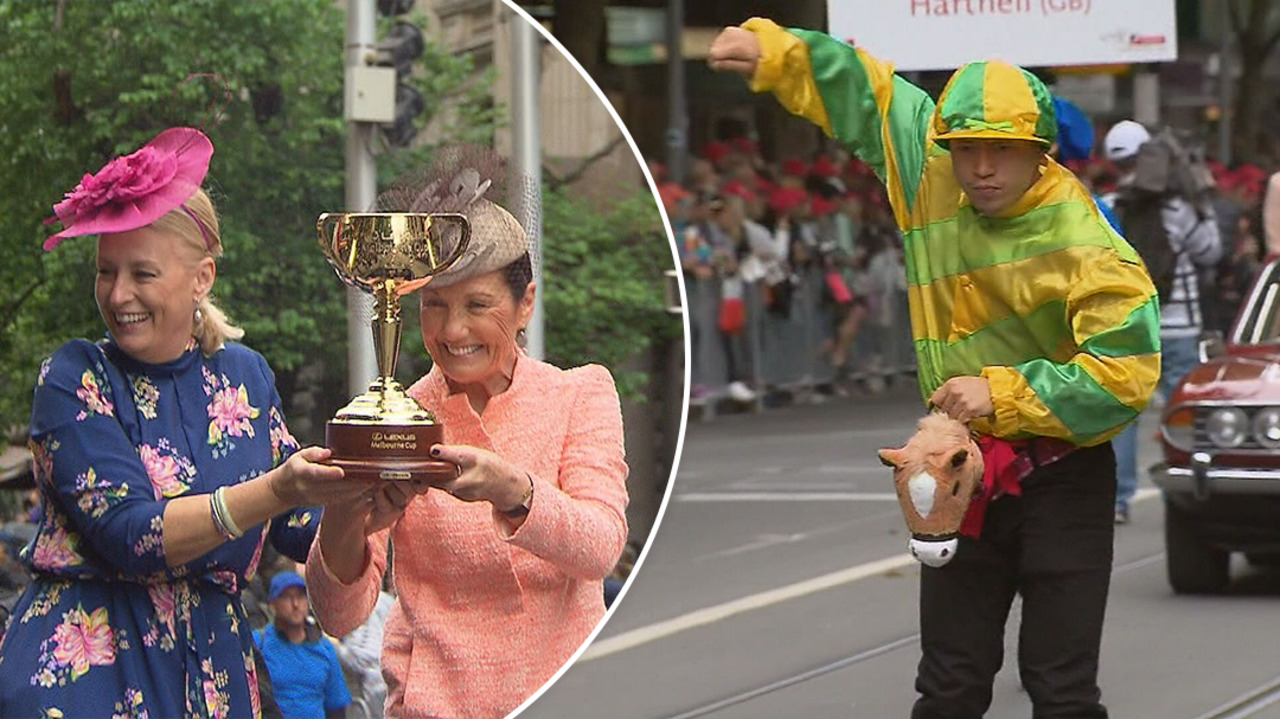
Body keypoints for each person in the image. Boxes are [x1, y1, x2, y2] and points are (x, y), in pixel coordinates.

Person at [709, 20, 1159, 719]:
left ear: (1039, 154)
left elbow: (1126, 373)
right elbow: (869, 90)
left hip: (1064, 479)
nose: (980, 167)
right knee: (948, 684)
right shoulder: (927, 169)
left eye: (1001, 151)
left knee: (1062, 688)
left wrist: (1001, 392)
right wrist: (779, 52)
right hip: (956, 470)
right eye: (967, 149)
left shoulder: (1088, 241)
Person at [0, 127, 369, 717]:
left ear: (202, 278)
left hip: (214, 677)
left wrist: (369, 491)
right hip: (88, 679)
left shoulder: (245, 378)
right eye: (106, 271)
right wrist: (277, 489)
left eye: (142, 274)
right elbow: (133, 535)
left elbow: (302, 526)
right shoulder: (75, 376)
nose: (119, 294)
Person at [305, 154, 630, 719]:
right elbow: (338, 615)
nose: (453, 331)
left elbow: (601, 546)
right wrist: (344, 512)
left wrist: (514, 489)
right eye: (434, 306)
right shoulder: (397, 417)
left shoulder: (581, 392)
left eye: (478, 306)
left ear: (525, 303)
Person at [1102, 120, 1223, 524]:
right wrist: (1203, 211)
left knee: (1124, 414)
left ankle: (1118, 500)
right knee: (1185, 413)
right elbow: (1210, 252)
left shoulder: (1107, 205)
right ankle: (1187, 494)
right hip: (1179, 324)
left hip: (1129, 323)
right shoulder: (1176, 206)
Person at [254, 571, 351, 719]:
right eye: (287, 597)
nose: (295, 604)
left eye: (300, 596)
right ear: (273, 604)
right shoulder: (258, 643)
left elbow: (337, 707)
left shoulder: (325, 648)